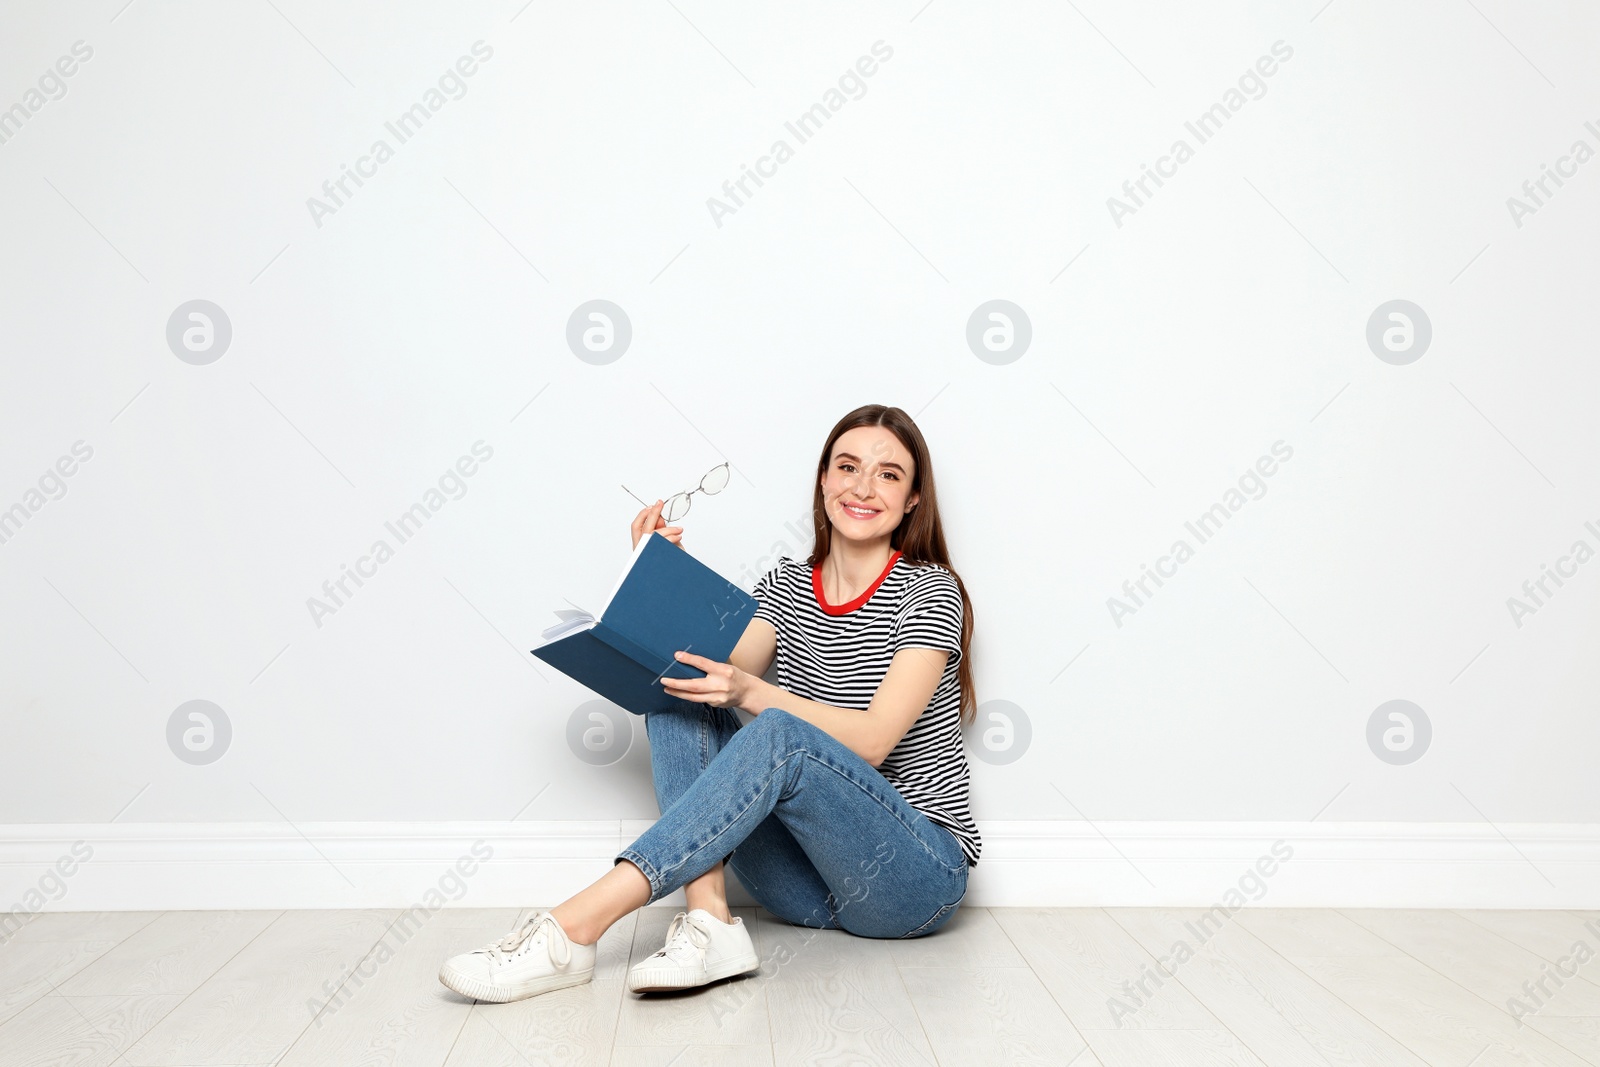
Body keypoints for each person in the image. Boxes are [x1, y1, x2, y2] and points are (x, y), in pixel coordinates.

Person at [439, 403, 981, 1004]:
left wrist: (753, 693)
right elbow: (713, 667)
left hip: (911, 876)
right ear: (824, 481)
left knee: (779, 730)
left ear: (911, 499)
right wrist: (654, 568)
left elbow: (877, 739)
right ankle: (711, 924)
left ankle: (574, 927)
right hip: (806, 887)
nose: (861, 486)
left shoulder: (932, 591)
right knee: (679, 694)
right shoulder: (788, 581)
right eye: (847, 466)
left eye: (887, 474)